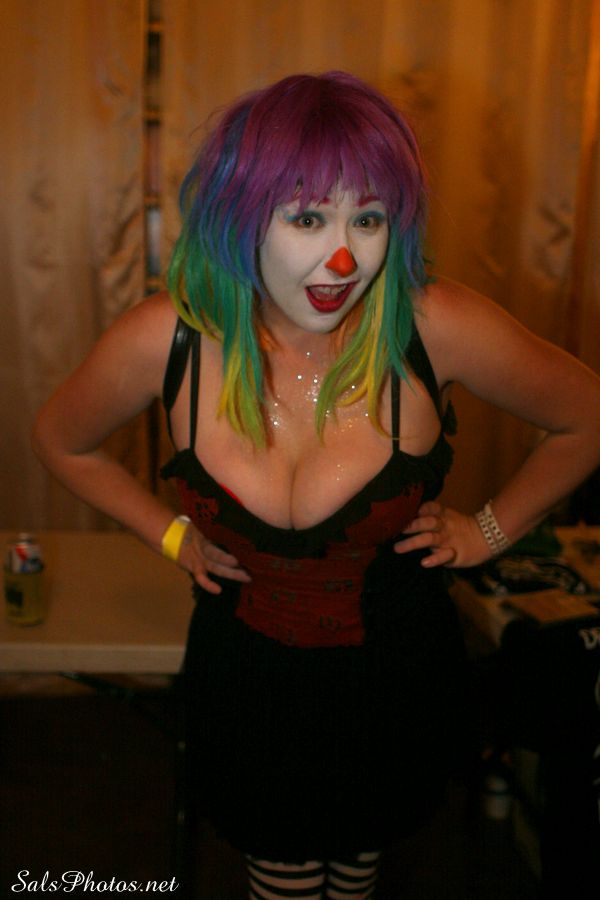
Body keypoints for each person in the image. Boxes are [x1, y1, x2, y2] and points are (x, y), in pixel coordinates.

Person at [32, 71, 600, 899]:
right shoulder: (167, 338)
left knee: (356, 868)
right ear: (238, 217)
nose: (345, 258)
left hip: (392, 679)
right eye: (306, 218)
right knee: (285, 876)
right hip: (250, 683)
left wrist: (488, 529)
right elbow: (63, 440)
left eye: (368, 219)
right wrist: (172, 534)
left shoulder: (433, 324)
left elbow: (586, 416)